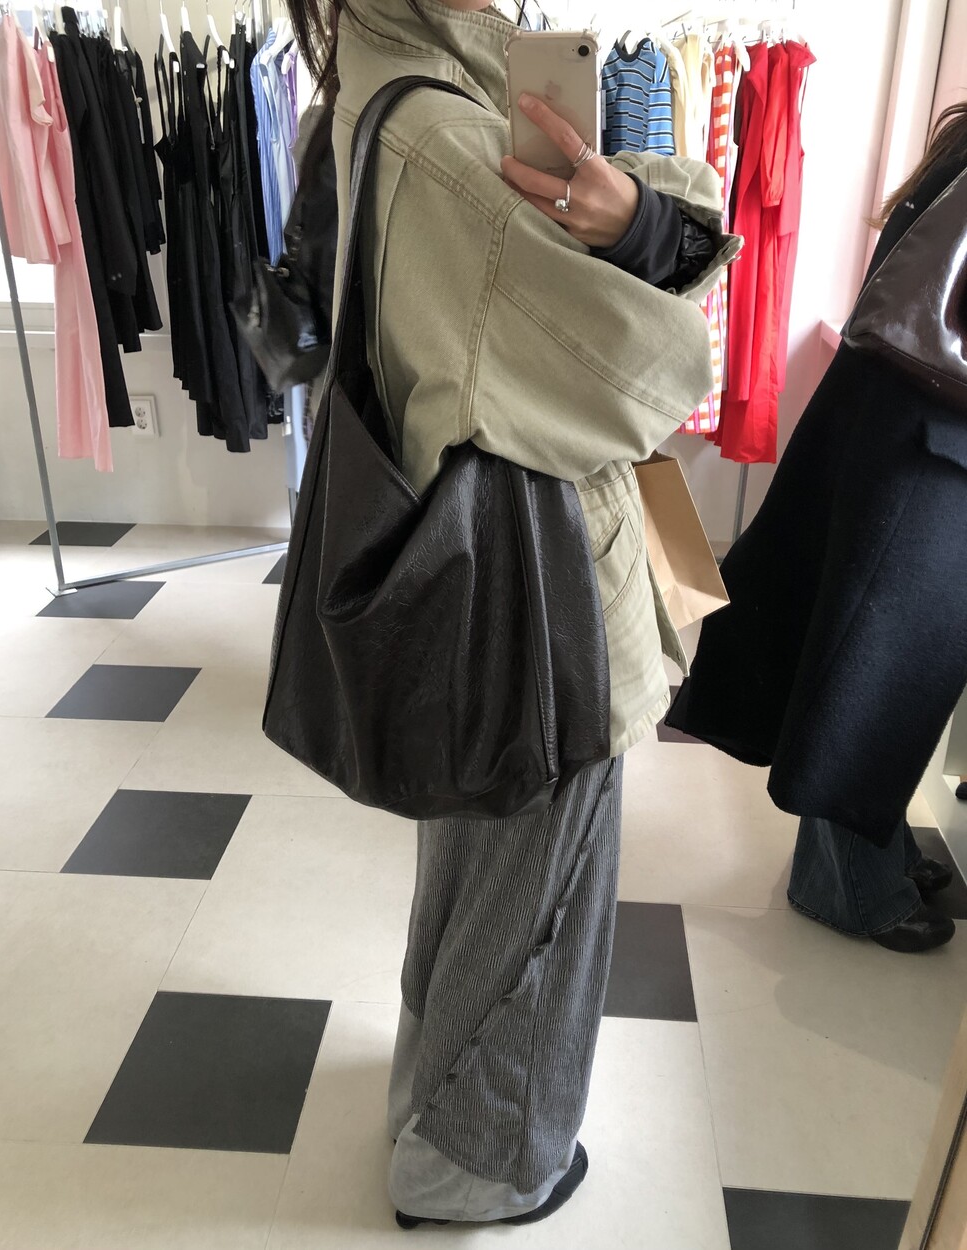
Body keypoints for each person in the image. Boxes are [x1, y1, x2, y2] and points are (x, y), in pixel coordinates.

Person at [285, 0, 739, 1228]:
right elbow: (644, 368)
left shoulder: (383, 74)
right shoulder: (446, 138)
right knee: (545, 873)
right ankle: (478, 1161)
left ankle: (434, 1098)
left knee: (476, 853)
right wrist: (651, 225)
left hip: (467, 549)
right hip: (538, 580)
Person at [668, 102, 967, 955]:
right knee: (876, 668)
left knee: (874, 658)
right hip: (925, 440)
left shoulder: (959, 143)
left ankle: (875, 846)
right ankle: (844, 885)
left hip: (900, 423)